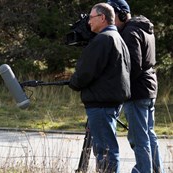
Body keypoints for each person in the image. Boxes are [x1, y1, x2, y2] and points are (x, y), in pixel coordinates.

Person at [68, 3, 131, 173]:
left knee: (105, 151)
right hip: (110, 102)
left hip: (101, 104)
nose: (88, 22)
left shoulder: (103, 40)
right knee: (106, 149)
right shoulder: (117, 37)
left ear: (102, 18)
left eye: (91, 17)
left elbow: (85, 72)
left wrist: (74, 83)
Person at [107, 0, 165, 172]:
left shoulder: (130, 32)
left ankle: (144, 170)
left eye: (113, 16)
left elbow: (134, 65)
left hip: (137, 91)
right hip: (149, 88)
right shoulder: (142, 27)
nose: (111, 21)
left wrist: (120, 85)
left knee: (139, 139)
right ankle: (156, 170)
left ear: (122, 14)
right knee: (149, 134)